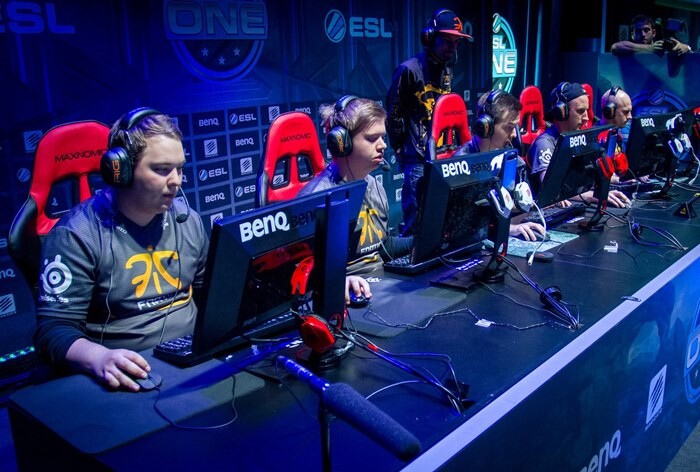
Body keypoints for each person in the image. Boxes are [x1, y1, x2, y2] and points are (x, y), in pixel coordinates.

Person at [34, 108, 209, 391]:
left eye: (179, 168)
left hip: (196, 359)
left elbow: (208, 294)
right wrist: (99, 357)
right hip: (131, 373)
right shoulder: (77, 235)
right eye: (162, 170)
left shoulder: (188, 221)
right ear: (120, 172)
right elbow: (53, 331)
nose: (176, 181)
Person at [298, 96, 412, 302]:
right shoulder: (315, 199)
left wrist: (422, 241)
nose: (382, 145)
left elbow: (382, 247)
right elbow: (301, 275)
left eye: (382, 137)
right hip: (346, 298)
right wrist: (336, 282)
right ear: (342, 143)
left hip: (382, 285)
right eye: (372, 138)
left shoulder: (375, 186)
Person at [386, 8, 471, 236]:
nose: (452, 47)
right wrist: (400, 148)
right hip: (417, 158)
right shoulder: (408, 70)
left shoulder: (447, 68)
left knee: (442, 220)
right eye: (447, 41)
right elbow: (393, 113)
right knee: (416, 224)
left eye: (456, 42)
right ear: (429, 37)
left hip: (443, 155)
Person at [461, 89, 546, 241]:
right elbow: (460, 227)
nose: (514, 134)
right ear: (486, 126)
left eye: (515, 127)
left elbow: (521, 207)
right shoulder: (462, 166)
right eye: (509, 127)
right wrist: (508, 229)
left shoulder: (512, 159)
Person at [528, 81, 630, 208]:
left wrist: (617, 183)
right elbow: (551, 191)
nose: (586, 118)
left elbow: (588, 179)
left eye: (587, 111)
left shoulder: (579, 139)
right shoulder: (544, 143)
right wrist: (592, 195)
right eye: (581, 111)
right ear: (562, 112)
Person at [612, 15, 691, 55]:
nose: (643, 34)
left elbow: (685, 49)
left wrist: (686, 48)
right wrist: (650, 48)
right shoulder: (627, 49)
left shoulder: (662, 47)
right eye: (638, 31)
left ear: (654, 33)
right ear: (632, 35)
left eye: (646, 30)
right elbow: (615, 47)